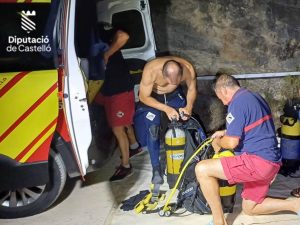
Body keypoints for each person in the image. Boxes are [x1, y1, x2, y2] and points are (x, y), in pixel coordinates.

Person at [195, 73, 300, 225]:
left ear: (224, 90)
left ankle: (219, 221)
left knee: (202, 169)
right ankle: (295, 205)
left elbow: (231, 143)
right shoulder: (254, 97)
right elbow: (253, 126)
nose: (223, 103)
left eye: (220, 97)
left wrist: (218, 142)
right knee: (250, 208)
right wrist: (225, 132)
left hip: (257, 162)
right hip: (271, 162)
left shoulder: (236, 103)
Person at [134, 56, 197, 184]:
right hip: (152, 97)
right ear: (163, 74)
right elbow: (143, 97)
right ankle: (156, 167)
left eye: (177, 81)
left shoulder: (188, 69)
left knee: (183, 122)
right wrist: (166, 109)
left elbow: (191, 89)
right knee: (153, 130)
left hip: (173, 95)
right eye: (169, 81)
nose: (172, 83)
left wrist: (189, 107)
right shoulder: (151, 70)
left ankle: (188, 161)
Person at [95, 23, 143, 182]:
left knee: (118, 129)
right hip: (107, 89)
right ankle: (134, 147)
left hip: (119, 90)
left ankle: (126, 166)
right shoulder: (87, 38)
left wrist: (107, 54)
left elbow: (124, 36)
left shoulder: (100, 32)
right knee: (123, 123)